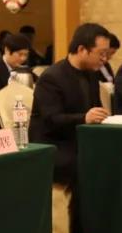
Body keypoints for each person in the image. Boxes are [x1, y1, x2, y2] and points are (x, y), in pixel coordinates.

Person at [29, 23, 111, 193]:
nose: (105, 59)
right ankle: (83, 210)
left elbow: (95, 109)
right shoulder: (52, 77)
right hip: (53, 145)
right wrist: (85, 118)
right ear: (82, 50)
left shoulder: (91, 74)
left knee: (117, 155)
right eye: (101, 53)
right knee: (93, 163)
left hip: (80, 140)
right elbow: (51, 119)